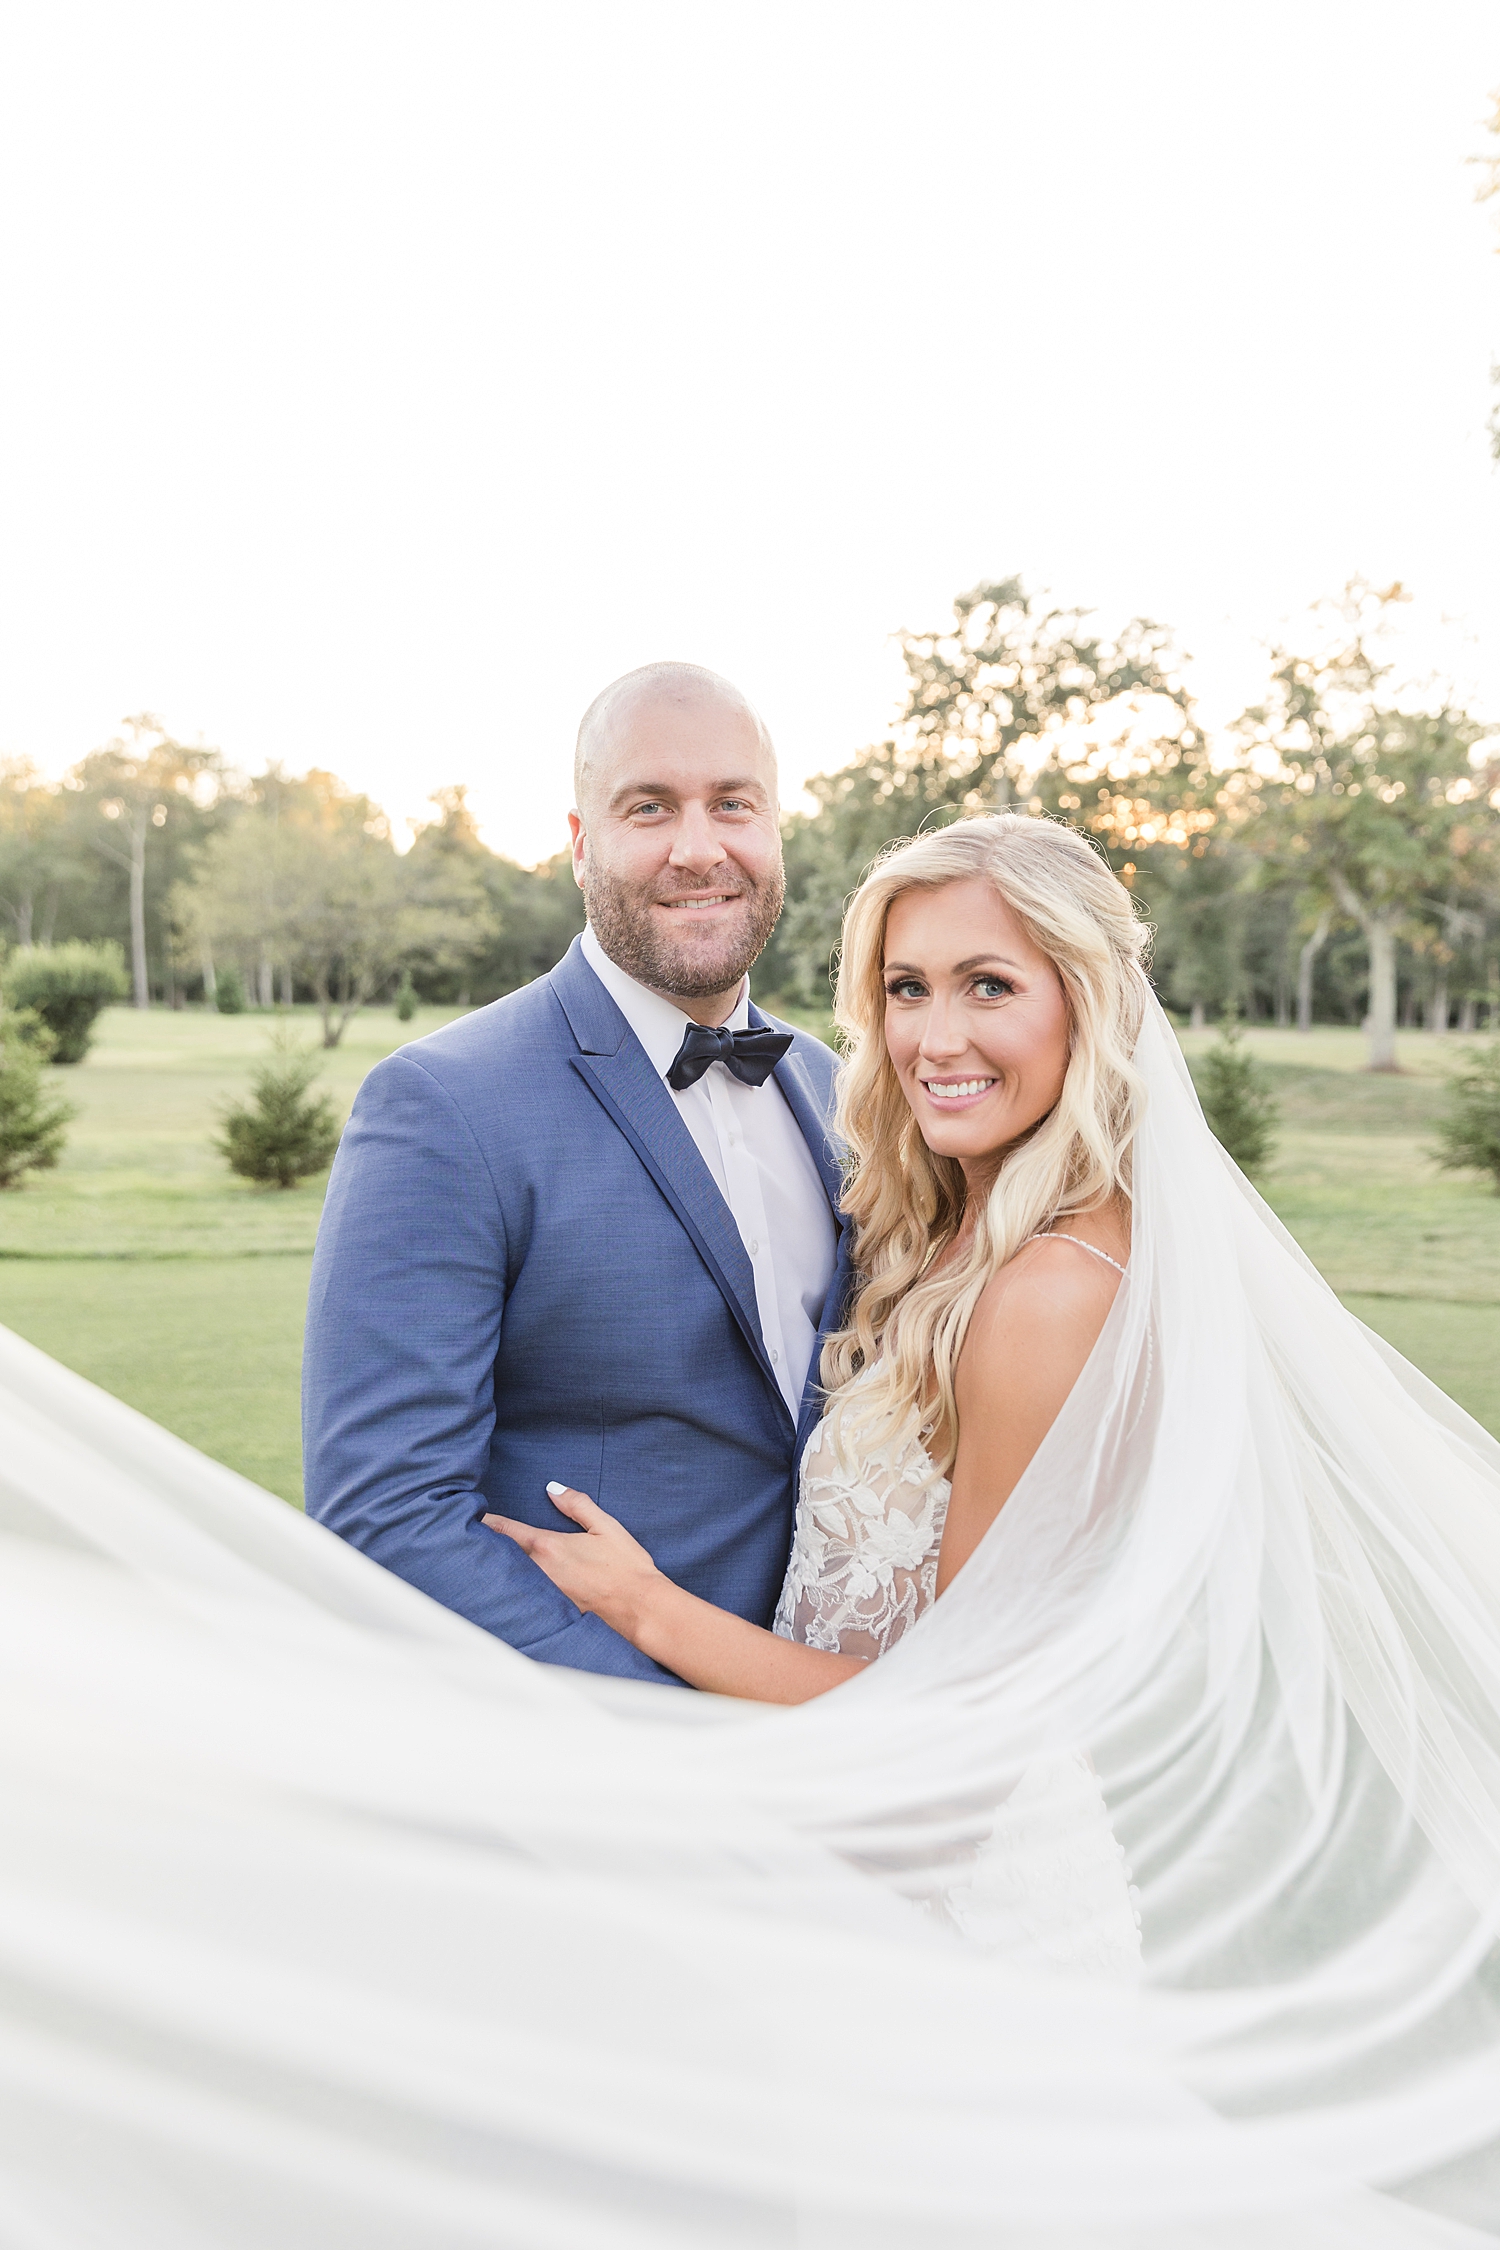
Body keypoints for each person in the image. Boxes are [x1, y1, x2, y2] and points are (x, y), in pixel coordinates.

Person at [482, 814, 1138, 1705]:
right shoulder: (946, 1234)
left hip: (925, 1834)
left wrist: (646, 1608)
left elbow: (962, 1717)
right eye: (908, 989)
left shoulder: (1051, 1291)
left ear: (1086, 1002)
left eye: (989, 985)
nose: (936, 1040)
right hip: (812, 1802)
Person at [301, 661, 848, 1681]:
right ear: (580, 842)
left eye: (733, 804)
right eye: (650, 807)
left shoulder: (837, 1092)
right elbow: (385, 1515)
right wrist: (671, 1730)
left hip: (841, 1740)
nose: (699, 847)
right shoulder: (443, 1104)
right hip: (597, 1764)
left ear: (777, 829)